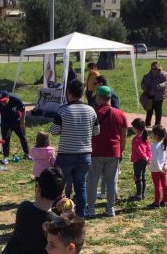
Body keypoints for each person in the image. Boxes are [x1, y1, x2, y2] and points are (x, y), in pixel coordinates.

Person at [50, 79, 100, 218]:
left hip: (66, 154)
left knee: (58, 185)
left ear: (69, 93)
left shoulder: (63, 110)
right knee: (81, 187)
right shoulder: (91, 110)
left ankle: (58, 215)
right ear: (83, 93)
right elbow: (96, 131)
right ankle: (80, 216)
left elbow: (54, 131)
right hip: (84, 154)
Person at [86, 86, 127, 218]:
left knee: (92, 181)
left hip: (95, 151)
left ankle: (91, 209)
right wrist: (121, 151)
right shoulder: (120, 114)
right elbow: (124, 135)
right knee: (111, 181)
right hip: (113, 151)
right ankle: (110, 209)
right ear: (110, 98)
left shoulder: (92, 112)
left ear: (98, 97)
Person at [0, 90, 30, 163]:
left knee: (23, 137)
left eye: (4, 100)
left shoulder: (16, 100)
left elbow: (23, 110)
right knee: (5, 139)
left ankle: (27, 154)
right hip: (5, 122)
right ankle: (6, 157)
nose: (2, 102)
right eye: (1, 100)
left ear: (8, 97)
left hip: (17, 120)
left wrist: (23, 120)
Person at [147, 124, 167, 209]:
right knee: (164, 184)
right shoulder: (165, 144)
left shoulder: (154, 146)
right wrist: (165, 165)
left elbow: (155, 159)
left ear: (156, 135)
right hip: (164, 169)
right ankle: (165, 201)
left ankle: (157, 203)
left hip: (156, 169)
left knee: (157, 186)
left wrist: (159, 169)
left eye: (152, 133)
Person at [128, 118, 151, 202]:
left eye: (133, 127)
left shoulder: (136, 139)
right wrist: (148, 157)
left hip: (138, 161)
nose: (132, 128)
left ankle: (138, 195)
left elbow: (139, 150)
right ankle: (142, 194)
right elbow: (149, 149)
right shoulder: (146, 138)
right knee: (143, 177)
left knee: (138, 177)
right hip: (144, 160)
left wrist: (145, 157)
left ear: (136, 128)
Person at [140, 62, 167, 127]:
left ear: (159, 68)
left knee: (158, 110)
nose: (154, 70)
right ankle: (147, 123)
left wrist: (160, 86)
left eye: (156, 69)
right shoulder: (147, 75)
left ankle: (157, 124)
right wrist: (144, 87)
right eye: (152, 69)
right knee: (149, 110)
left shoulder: (163, 74)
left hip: (159, 96)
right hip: (149, 95)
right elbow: (142, 83)